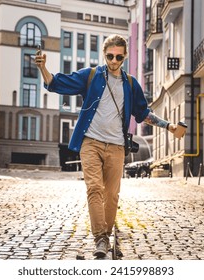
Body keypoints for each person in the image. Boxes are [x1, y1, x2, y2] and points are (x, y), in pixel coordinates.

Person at [35, 34, 178, 258]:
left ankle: (107, 235)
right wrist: (44, 68)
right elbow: (57, 84)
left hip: (116, 147)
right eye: (110, 56)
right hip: (90, 142)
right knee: (94, 189)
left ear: (125, 56)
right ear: (104, 55)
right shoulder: (91, 76)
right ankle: (100, 238)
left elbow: (143, 114)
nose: (114, 61)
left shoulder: (131, 84)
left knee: (112, 195)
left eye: (118, 57)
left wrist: (168, 125)